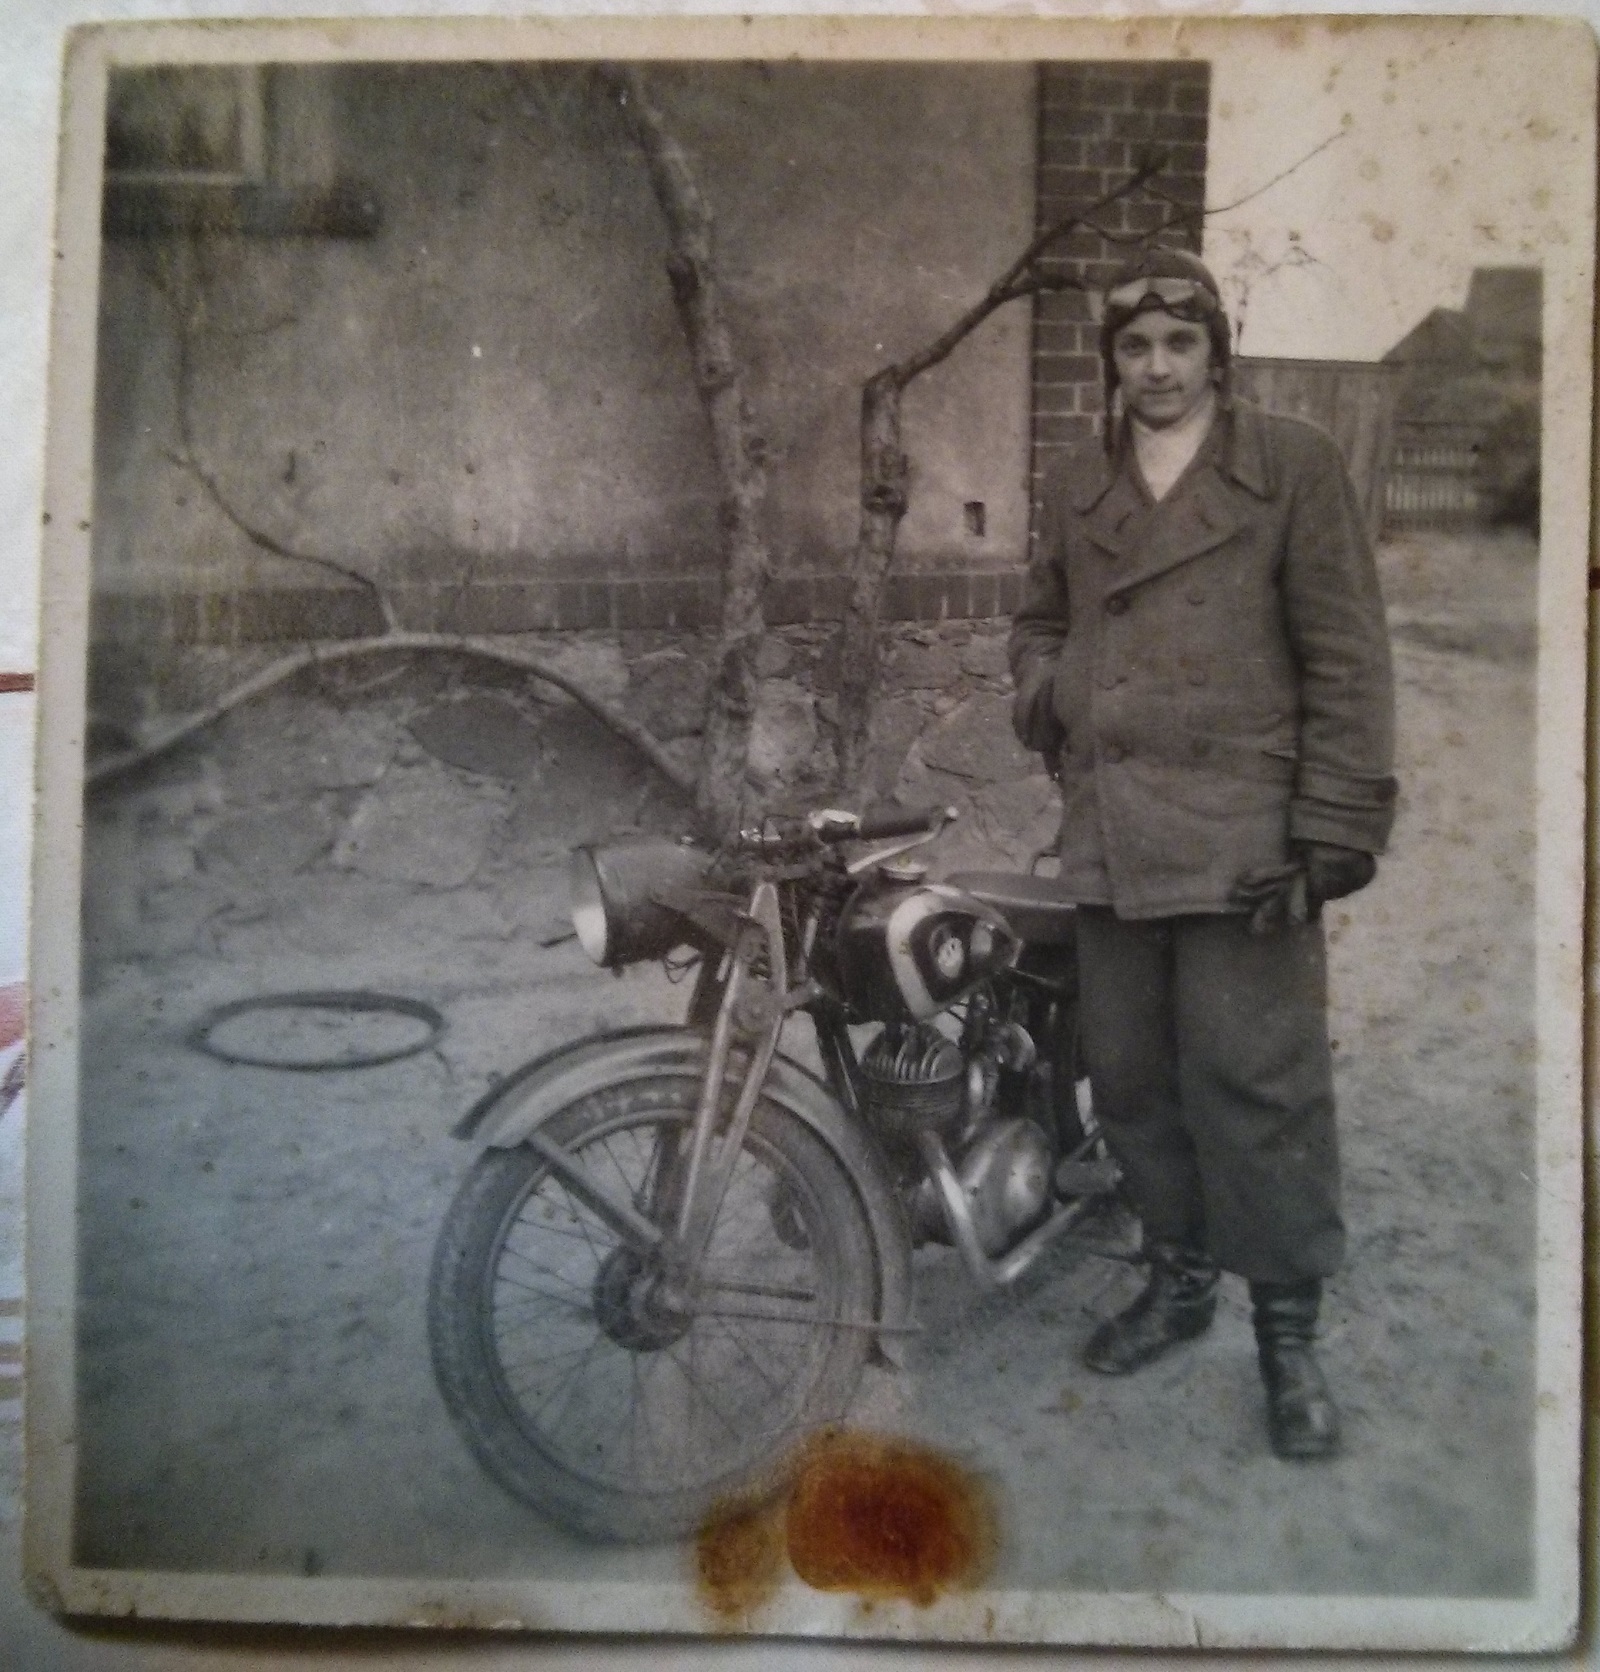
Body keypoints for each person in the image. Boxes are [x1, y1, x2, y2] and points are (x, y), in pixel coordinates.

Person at [1008, 248, 1396, 1460]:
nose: (1158, 367)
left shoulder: (1290, 465)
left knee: (1258, 1086)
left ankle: (1287, 1338)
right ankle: (1177, 1284)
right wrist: (1053, 691)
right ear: (1111, 363)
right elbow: (1038, 619)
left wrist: (1333, 828)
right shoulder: (1078, 479)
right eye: (1134, 347)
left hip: (1245, 842)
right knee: (1130, 1080)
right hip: (1114, 831)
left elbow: (1346, 654)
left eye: (1180, 343)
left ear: (1216, 353)